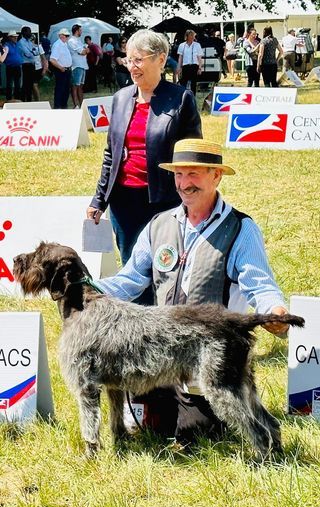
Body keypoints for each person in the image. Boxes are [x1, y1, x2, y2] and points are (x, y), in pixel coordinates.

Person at [93, 138, 289, 441]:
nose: (185, 183)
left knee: (193, 436)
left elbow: (259, 284)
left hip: (206, 356)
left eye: (194, 174)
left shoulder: (239, 228)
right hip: (160, 353)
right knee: (153, 428)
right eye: (179, 174)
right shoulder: (159, 224)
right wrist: (86, 289)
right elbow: (129, 280)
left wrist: (274, 311)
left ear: (216, 175)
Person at [86, 29, 202, 304]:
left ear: (161, 60)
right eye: (128, 59)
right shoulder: (120, 98)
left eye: (138, 60)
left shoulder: (181, 98)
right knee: (131, 268)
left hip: (165, 202)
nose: (132, 66)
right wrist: (99, 199)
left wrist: (193, 197)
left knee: (166, 268)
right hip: (124, 202)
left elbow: (192, 155)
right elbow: (110, 154)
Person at [49, 28, 72, 109]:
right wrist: (60, 67)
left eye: (68, 36)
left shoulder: (64, 44)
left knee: (66, 90)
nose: (67, 37)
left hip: (67, 69)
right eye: (66, 36)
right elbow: (52, 59)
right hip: (61, 70)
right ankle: (58, 107)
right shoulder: (57, 45)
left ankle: (63, 106)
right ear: (61, 36)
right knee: (60, 90)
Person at [67, 24, 89, 108]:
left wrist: (85, 50)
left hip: (83, 65)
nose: (81, 31)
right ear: (77, 31)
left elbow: (87, 50)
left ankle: (82, 105)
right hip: (76, 65)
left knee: (80, 86)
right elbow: (83, 52)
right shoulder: (72, 41)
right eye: (80, 30)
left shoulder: (79, 40)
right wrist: (85, 50)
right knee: (75, 85)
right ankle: (76, 105)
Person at [177, 29, 203, 95]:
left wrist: (200, 68)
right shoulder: (182, 45)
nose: (192, 37)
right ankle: (183, 97)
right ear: (187, 36)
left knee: (193, 84)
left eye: (193, 35)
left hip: (194, 66)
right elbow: (180, 57)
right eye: (191, 35)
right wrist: (179, 67)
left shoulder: (197, 45)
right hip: (185, 66)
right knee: (183, 83)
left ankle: (192, 97)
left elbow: (199, 57)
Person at [18, 26, 38, 102]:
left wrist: (32, 51)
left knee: (30, 84)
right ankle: (23, 100)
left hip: (32, 65)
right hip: (26, 65)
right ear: (24, 33)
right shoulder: (21, 42)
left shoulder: (29, 42)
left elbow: (36, 52)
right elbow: (27, 54)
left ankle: (29, 100)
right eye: (28, 31)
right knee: (25, 83)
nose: (30, 33)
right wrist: (32, 51)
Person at [4, 30, 23, 100]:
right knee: (9, 83)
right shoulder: (6, 45)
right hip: (10, 67)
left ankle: (17, 98)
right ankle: (8, 98)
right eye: (14, 37)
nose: (16, 38)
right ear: (10, 37)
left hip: (17, 67)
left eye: (16, 37)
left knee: (17, 83)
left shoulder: (18, 44)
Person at [31, 34, 47, 101]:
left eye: (32, 39)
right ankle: (35, 99)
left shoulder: (39, 46)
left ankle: (38, 100)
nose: (31, 40)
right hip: (30, 68)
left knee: (34, 84)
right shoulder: (26, 46)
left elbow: (43, 58)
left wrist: (44, 69)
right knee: (32, 85)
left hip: (38, 67)